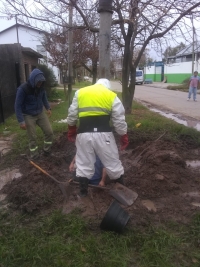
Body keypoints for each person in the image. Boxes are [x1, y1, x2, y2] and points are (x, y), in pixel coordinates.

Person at [66, 78, 129, 196]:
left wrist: (71, 130)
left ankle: (83, 194)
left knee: (84, 164)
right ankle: (123, 192)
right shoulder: (111, 95)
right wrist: (123, 135)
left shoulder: (80, 93)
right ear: (107, 87)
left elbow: (72, 114)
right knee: (113, 163)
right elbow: (119, 120)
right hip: (104, 135)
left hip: (84, 134)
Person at [15, 68, 53, 159]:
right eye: (38, 82)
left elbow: (44, 98)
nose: (40, 84)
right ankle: (34, 156)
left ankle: (46, 150)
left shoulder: (41, 88)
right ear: (33, 80)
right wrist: (21, 121)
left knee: (49, 132)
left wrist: (48, 107)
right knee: (32, 137)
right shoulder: (23, 89)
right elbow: (17, 105)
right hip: (28, 115)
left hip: (40, 113)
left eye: (41, 82)